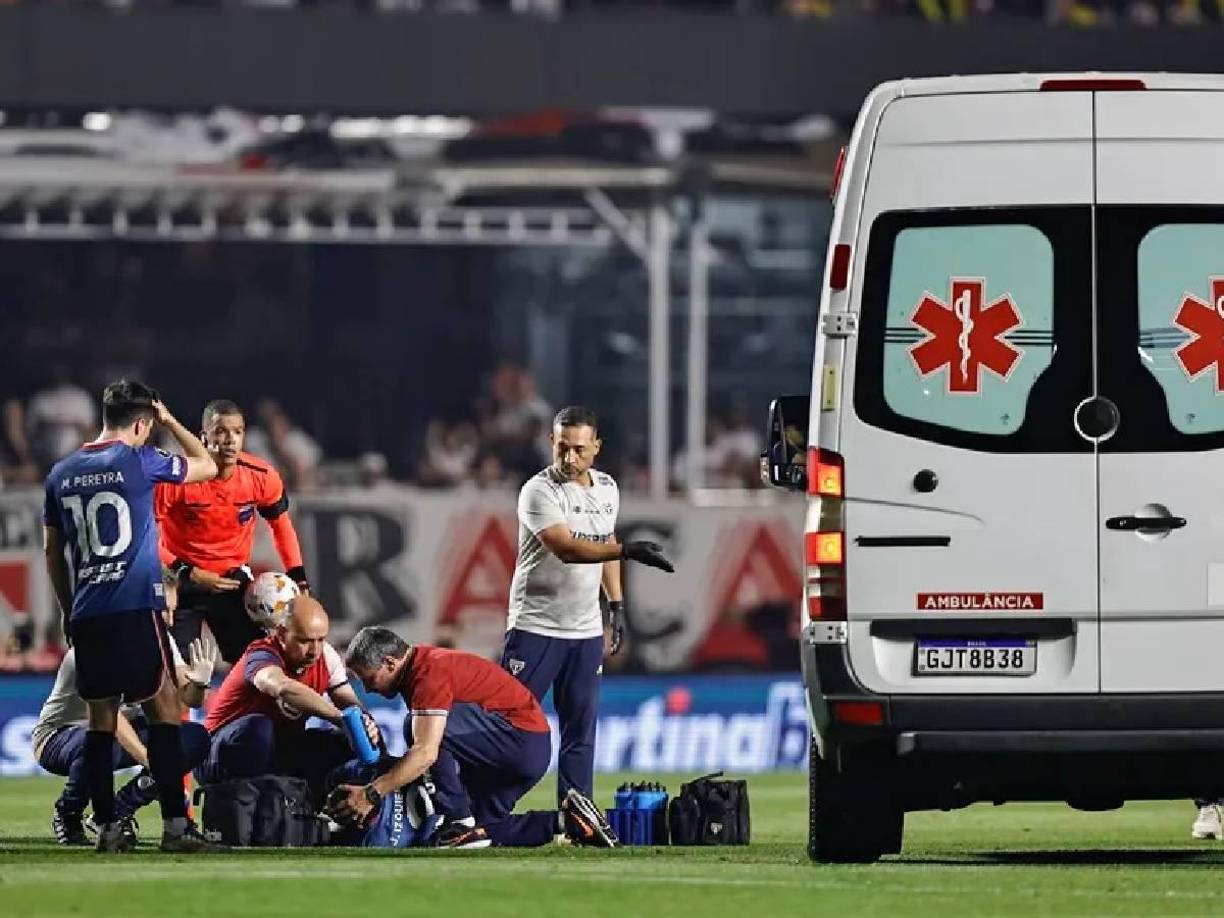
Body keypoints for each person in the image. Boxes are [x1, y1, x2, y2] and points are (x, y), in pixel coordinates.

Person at [42, 379, 221, 852]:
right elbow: (209, 466)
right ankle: (177, 829)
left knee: (100, 722)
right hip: (135, 607)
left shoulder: (60, 474)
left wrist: (66, 610)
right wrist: (170, 421)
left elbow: (52, 551)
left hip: (88, 614)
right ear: (141, 423)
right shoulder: (142, 460)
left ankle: (107, 828)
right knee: (165, 712)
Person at [501, 405, 673, 805]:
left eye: (578, 449)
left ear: (596, 447)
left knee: (581, 731)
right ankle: (487, 809)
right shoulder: (538, 490)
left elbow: (605, 541)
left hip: (584, 630)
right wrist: (627, 549)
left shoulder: (608, 488)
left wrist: (617, 605)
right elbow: (565, 548)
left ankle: (576, 816)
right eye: (562, 447)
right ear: (551, 443)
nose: (568, 458)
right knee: (507, 722)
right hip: (535, 626)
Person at [330, 625, 617, 850]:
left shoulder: (427, 672)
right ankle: (567, 822)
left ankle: (458, 817)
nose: (367, 689)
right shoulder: (426, 666)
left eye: (368, 678)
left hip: (519, 740)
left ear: (390, 663)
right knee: (479, 833)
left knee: (417, 731)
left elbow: (426, 753)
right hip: (523, 748)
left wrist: (371, 793)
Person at [33, 567, 217, 846]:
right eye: (163, 610)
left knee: (195, 738)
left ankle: (118, 809)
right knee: (96, 741)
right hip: (61, 736)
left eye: (172, 611)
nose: (169, 619)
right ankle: (68, 812)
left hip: (119, 732)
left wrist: (200, 683)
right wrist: (155, 763)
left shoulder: (161, 638)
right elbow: (109, 718)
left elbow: (188, 698)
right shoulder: (100, 637)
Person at [156, 399, 310, 664]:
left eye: (237, 432)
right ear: (204, 437)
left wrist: (299, 577)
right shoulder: (177, 478)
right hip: (181, 581)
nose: (230, 440)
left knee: (258, 664)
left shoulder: (261, 476)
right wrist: (184, 572)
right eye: (221, 431)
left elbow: (281, 526)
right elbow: (147, 536)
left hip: (232, 582)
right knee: (176, 675)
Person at [199, 595, 380, 804]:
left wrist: (363, 723)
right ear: (282, 634)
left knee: (352, 739)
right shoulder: (261, 653)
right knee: (258, 727)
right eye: (305, 641)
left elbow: (348, 701)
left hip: (277, 751)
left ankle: (335, 813)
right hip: (218, 753)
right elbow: (283, 687)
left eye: (321, 639)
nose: (314, 651)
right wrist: (340, 718)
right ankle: (248, 809)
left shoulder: (326, 657)